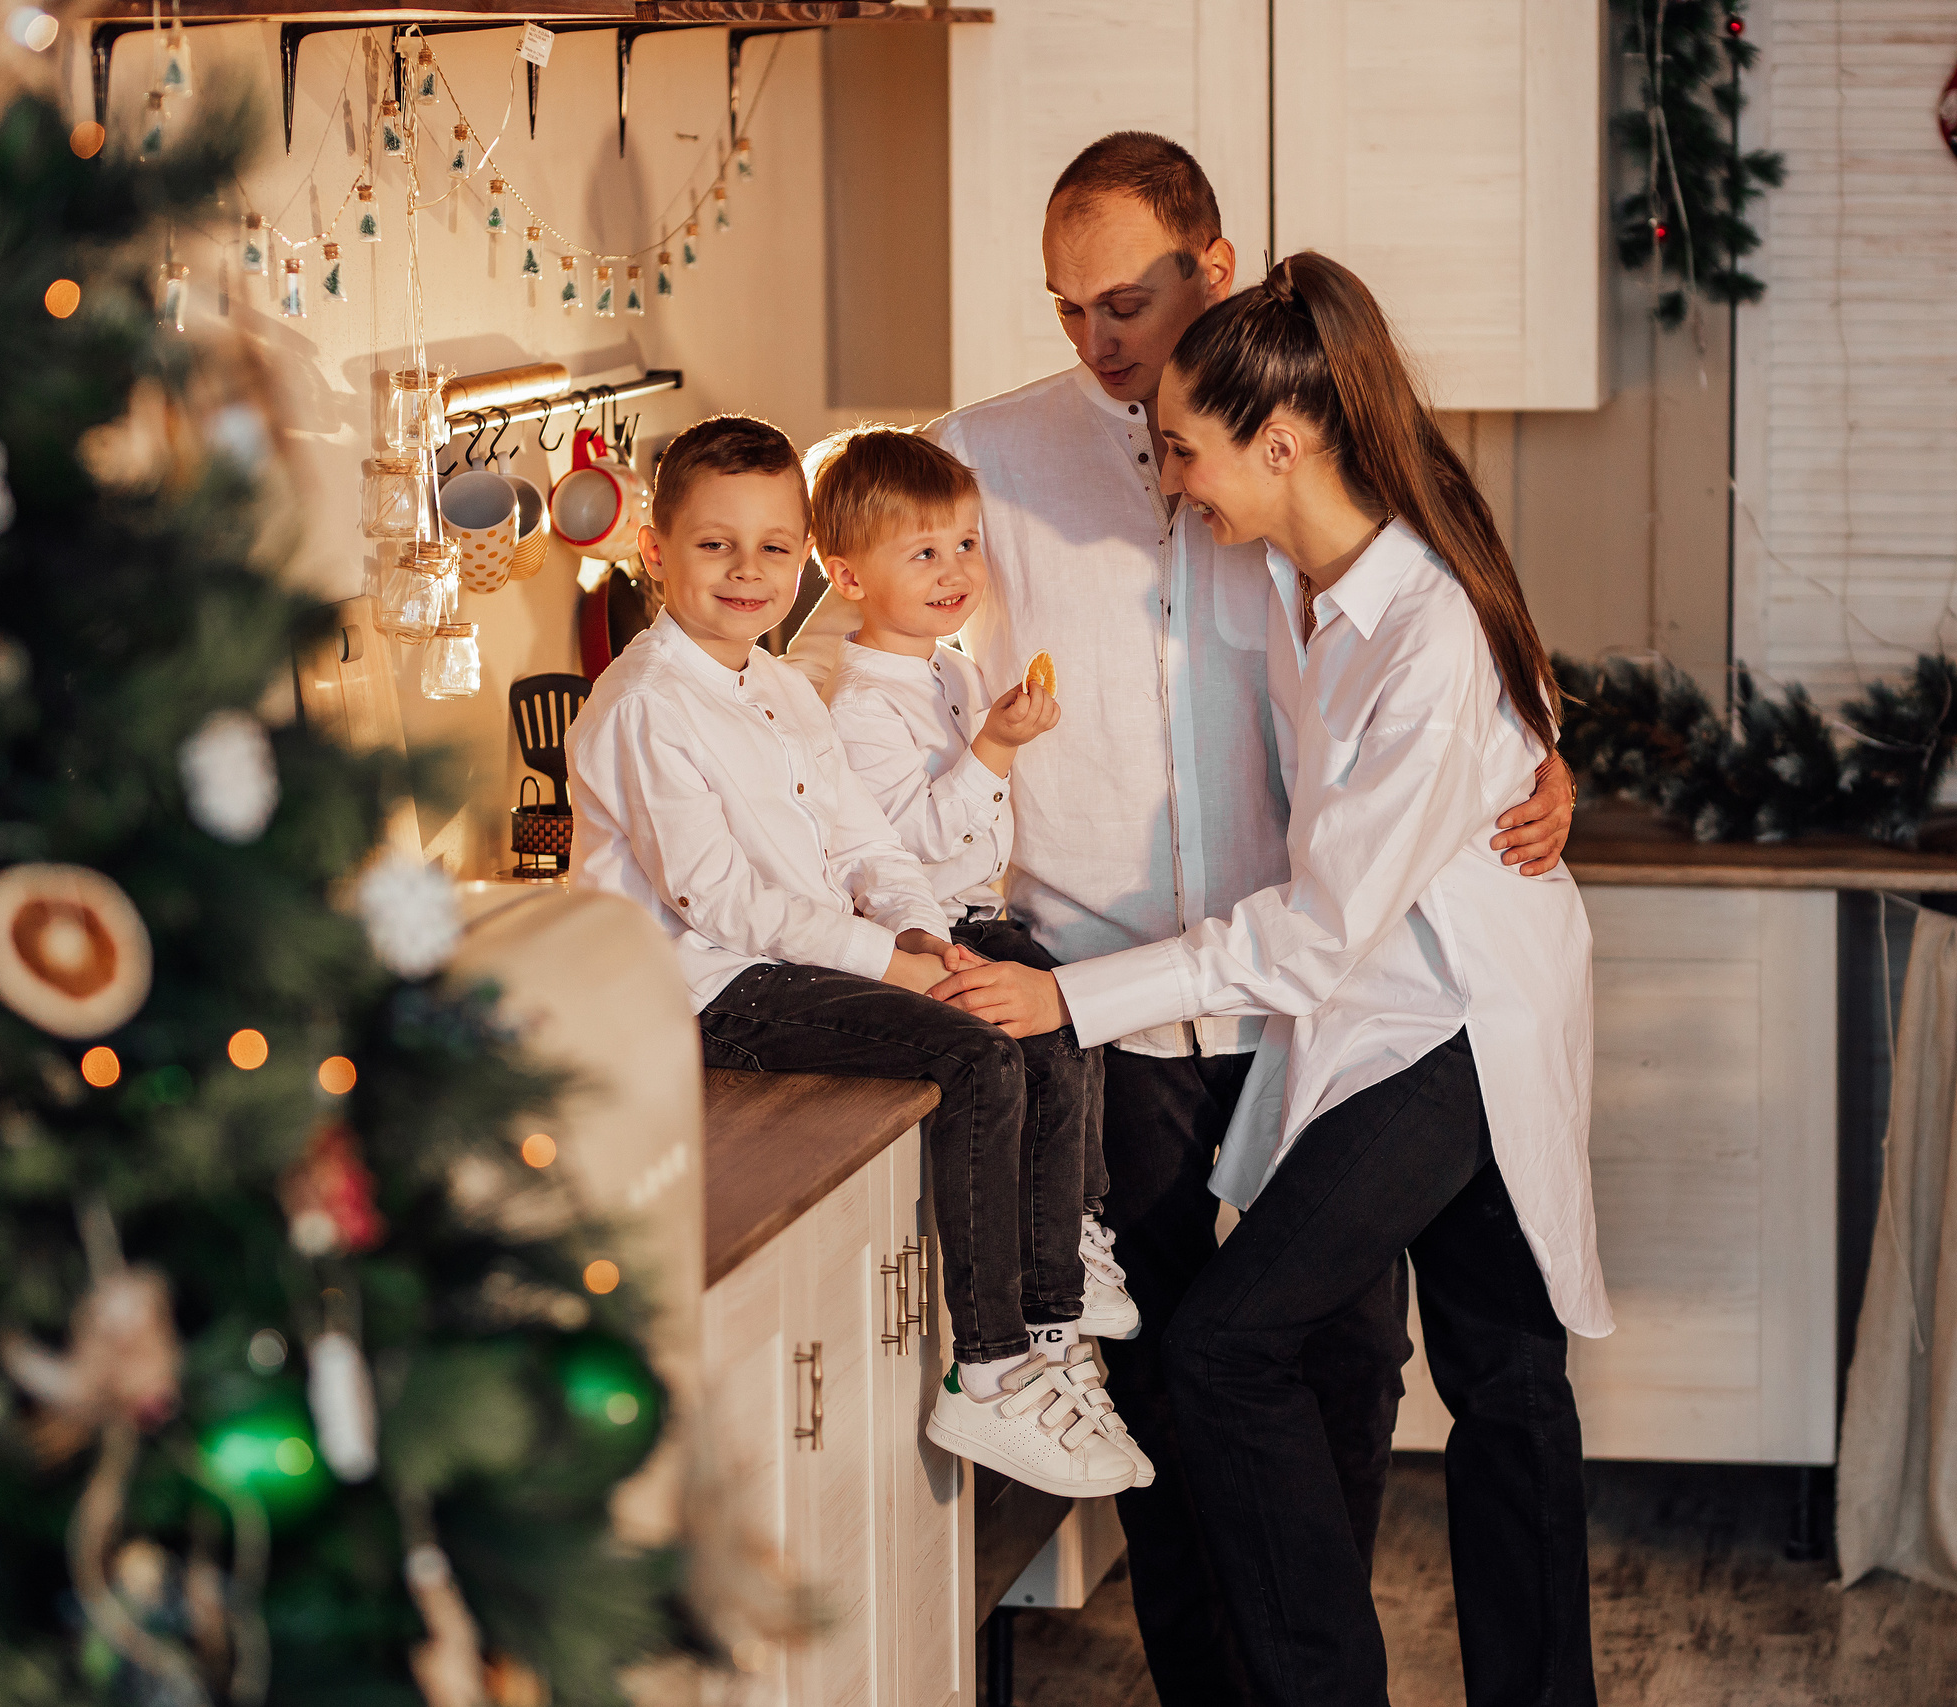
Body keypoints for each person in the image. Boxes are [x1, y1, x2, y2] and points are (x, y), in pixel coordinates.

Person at [789, 134, 1576, 1705]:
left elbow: (1457, 646)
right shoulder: (977, 461)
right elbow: (833, 686)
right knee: (1163, 1372)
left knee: (1342, 1364)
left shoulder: (1302, 462)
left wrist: (1543, 750)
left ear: (1215, 274)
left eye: (1128, 302)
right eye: (1068, 309)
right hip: (1102, 994)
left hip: (1319, 1000)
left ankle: (1309, 1658)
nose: (1097, 345)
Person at [565, 412, 1148, 1500]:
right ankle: (992, 1371)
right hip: (701, 993)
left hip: (794, 963)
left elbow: (861, 841)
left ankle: (1050, 1310)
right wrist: (887, 965)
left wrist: (922, 931)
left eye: (772, 546)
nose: (749, 572)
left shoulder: (783, 684)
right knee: (975, 1058)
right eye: (714, 544)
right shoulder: (647, 704)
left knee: (1016, 1005)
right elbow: (720, 899)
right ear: (653, 549)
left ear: (802, 558)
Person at [806, 424, 1136, 1341]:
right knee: (1052, 1040)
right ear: (849, 578)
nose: (955, 568)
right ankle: (1055, 1265)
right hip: (939, 926)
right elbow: (903, 846)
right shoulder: (861, 707)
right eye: (923, 552)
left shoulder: (949, 666)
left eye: (963, 544)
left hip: (984, 909)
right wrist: (995, 746)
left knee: (1076, 1020)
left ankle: (1080, 1223)